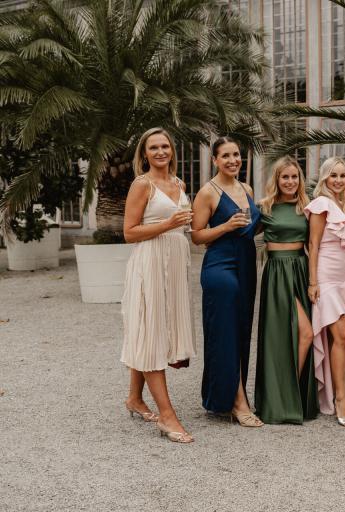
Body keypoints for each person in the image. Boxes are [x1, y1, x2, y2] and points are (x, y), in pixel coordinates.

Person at [122, 127, 196, 443]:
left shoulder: (178, 183)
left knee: (155, 329)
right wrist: (167, 224)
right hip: (150, 262)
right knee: (151, 331)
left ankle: (134, 399)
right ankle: (167, 416)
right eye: (154, 147)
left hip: (176, 265)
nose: (161, 151)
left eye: (165, 146)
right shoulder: (142, 184)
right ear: (145, 154)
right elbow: (128, 232)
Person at [192, 136, 262, 427]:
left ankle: (221, 396)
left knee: (242, 328)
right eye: (226, 156)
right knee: (226, 330)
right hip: (220, 265)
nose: (233, 160)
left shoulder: (246, 188)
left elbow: (252, 226)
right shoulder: (207, 192)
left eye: (237, 155)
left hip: (246, 262)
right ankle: (237, 402)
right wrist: (225, 226)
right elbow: (196, 236)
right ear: (215, 160)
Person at [252, 156, 317, 424]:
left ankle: (291, 395)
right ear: (276, 180)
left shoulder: (308, 207)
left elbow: (314, 246)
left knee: (306, 334)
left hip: (300, 272)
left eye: (294, 177)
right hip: (277, 273)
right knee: (278, 337)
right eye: (284, 177)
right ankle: (278, 400)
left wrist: (314, 281)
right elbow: (244, 236)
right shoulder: (264, 207)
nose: (290, 182)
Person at [305, 157, 345, 426]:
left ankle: (341, 393)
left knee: (343, 338)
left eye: (343, 176)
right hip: (325, 277)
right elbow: (313, 245)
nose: (338, 180)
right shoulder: (321, 205)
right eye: (333, 175)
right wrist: (313, 282)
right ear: (324, 178)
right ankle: (340, 397)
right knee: (343, 334)